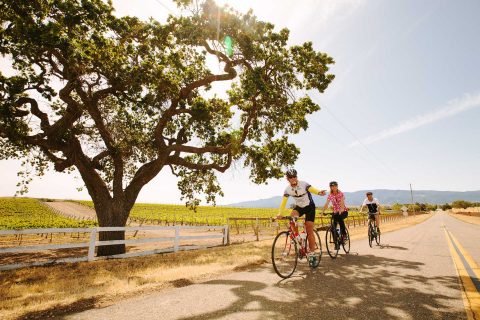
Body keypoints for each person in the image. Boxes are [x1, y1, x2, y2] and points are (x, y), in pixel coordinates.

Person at [276, 168, 326, 264]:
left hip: (310, 207)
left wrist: (320, 192)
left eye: (294, 176)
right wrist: (280, 213)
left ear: (297, 176)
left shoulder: (303, 184)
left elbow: (313, 190)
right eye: (290, 177)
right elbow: (283, 202)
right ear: (287, 179)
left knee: (309, 228)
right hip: (299, 207)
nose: (293, 178)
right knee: (291, 219)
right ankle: (298, 238)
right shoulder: (287, 189)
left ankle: (312, 253)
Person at [321, 181, 348, 249]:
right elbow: (326, 204)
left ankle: (344, 234)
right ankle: (336, 243)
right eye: (332, 186)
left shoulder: (341, 194)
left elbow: (342, 203)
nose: (334, 187)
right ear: (330, 187)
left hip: (343, 211)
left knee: (339, 218)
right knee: (333, 228)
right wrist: (322, 212)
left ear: (337, 186)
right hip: (335, 213)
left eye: (335, 186)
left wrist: (341, 210)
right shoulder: (330, 195)